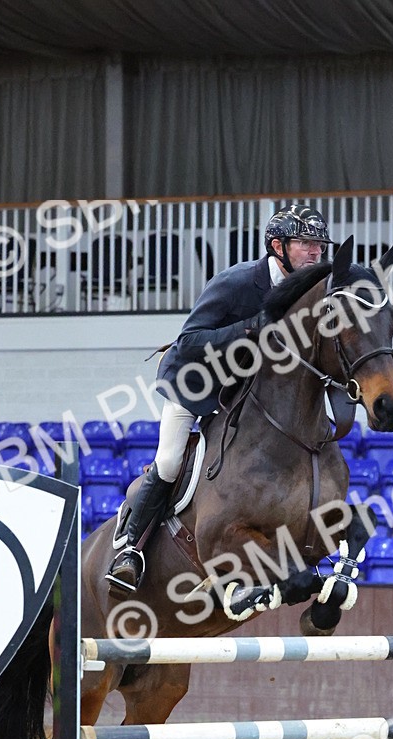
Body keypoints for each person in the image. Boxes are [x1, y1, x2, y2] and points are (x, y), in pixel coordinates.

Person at [106, 205, 332, 592]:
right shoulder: (239, 282)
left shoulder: (311, 293)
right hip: (195, 383)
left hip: (241, 393)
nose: (316, 253)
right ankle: (130, 550)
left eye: (320, 246)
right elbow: (190, 340)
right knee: (170, 461)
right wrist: (251, 328)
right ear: (277, 246)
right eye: (306, 244)